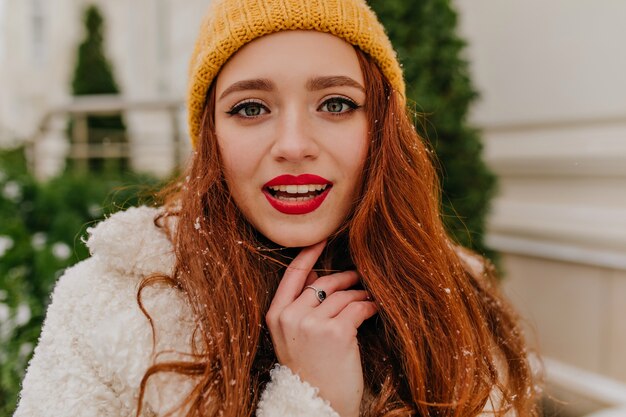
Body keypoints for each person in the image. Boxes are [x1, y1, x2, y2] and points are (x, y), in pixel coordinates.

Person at [14, 0, 541, 416]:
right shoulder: (111, 308)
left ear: (381, 130)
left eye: (335, 104)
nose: (293, 144)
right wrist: (312, 401)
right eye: (250, 108)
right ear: (210, 138)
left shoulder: (455, 297)